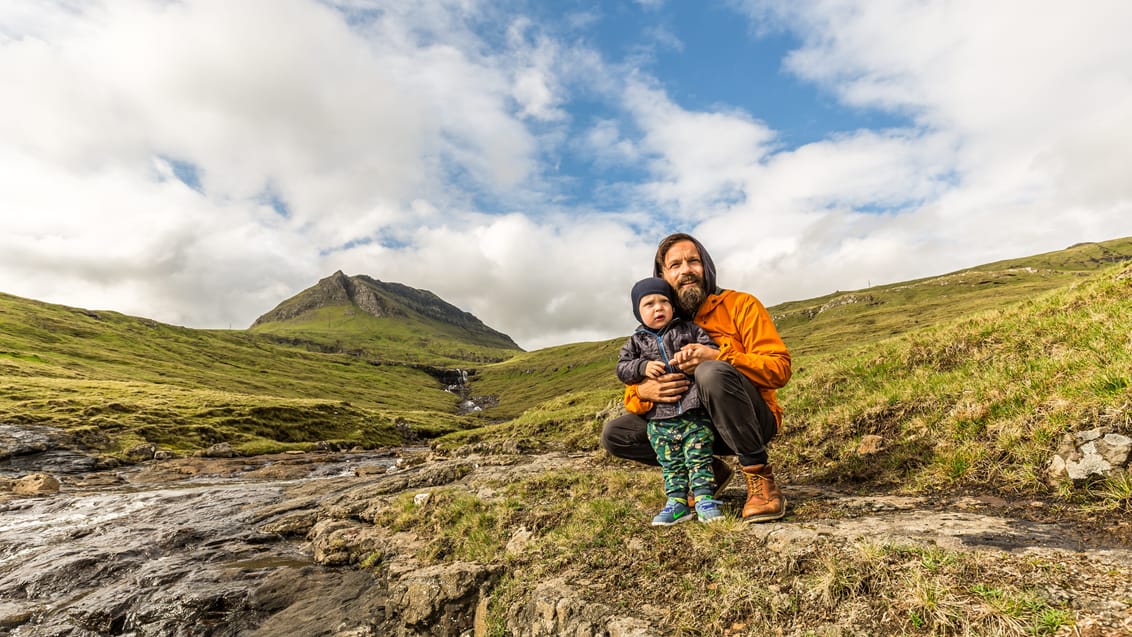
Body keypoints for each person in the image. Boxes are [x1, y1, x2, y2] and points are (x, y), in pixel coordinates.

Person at [602, 233, 792, 522]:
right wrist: (643, 392)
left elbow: (779, 369)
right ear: (663, 275)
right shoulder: (658, 321)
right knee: (616, 435)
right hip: (691, 426)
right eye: (675, 265)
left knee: (710, 372)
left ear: (707, 266)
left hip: (751, 422)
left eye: (693, 261)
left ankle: (761, 481)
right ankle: (708, 470)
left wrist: (719, 357)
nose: (686, 270)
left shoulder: (742, 305)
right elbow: (631, 382)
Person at [616, 277, 723, 526]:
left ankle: (705, 499)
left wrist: (694, 353)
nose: (658, 308)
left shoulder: (688, 330)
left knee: (699, 457)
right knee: (671, 463)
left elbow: (709, 347)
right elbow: (622, 369)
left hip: (693, 412)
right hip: (659, 419)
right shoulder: (635, 343)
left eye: (664, 301)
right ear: (637, 312)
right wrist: (641, 366)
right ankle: (677, 504)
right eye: (649, 304)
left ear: (673, 305)